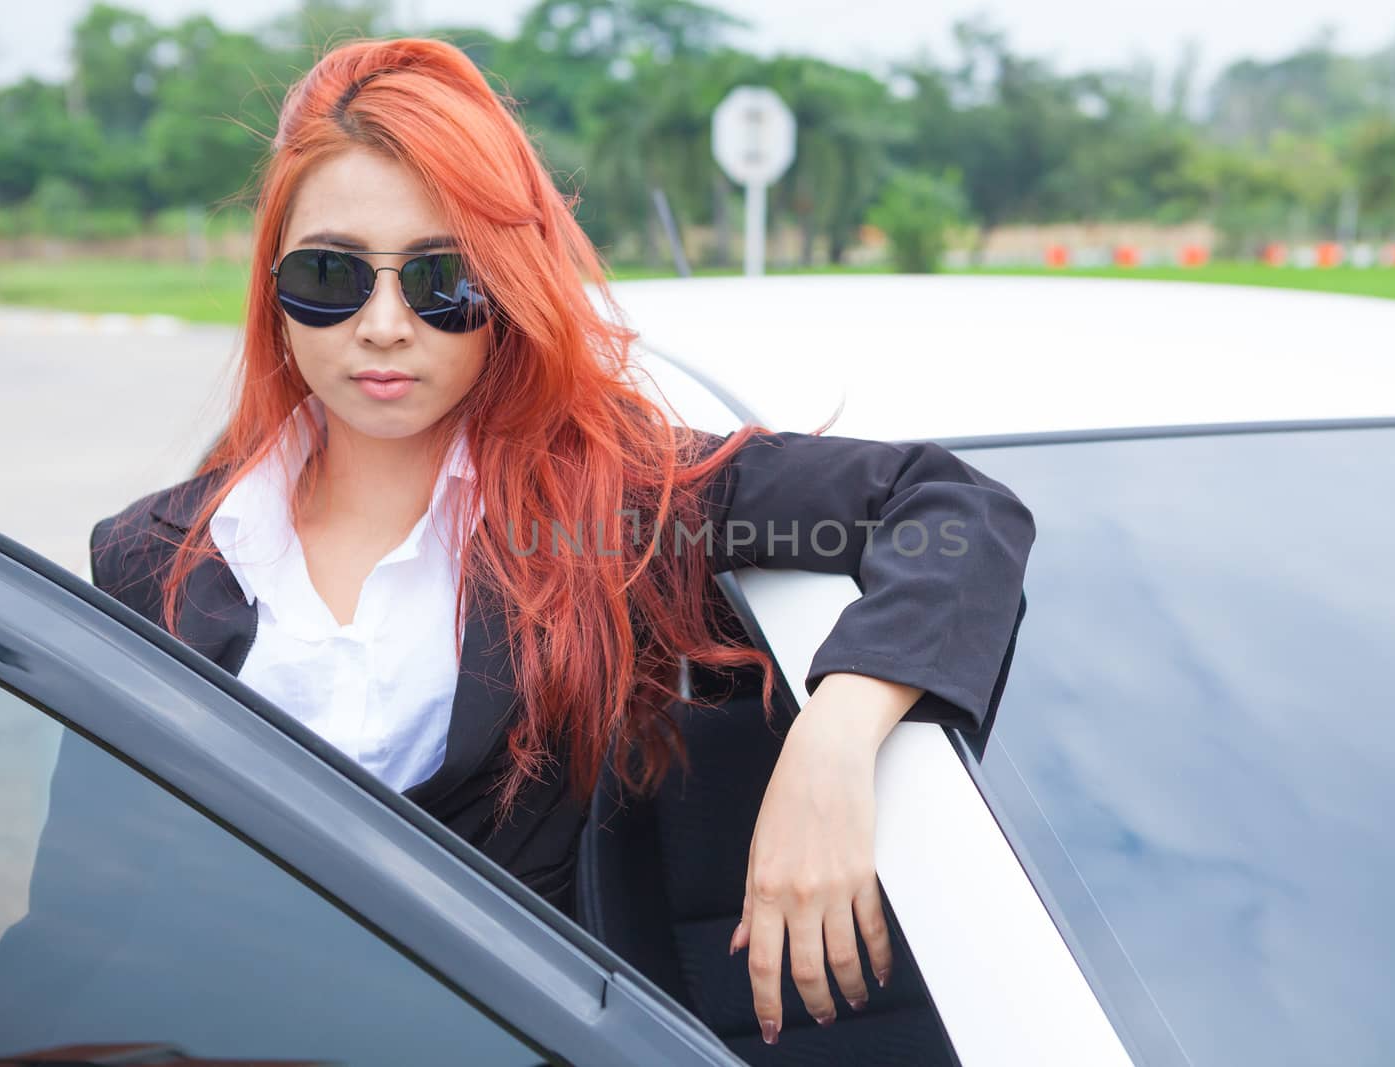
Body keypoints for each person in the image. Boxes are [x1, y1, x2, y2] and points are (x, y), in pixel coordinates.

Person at [85, 36, 1035, 1047]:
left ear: (505, 285)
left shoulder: (609, 502)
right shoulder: (152, 554)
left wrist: (835, 736)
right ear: (271, 284)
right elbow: (88, 899)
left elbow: (950, 511)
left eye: (441, 277)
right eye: (330, 274)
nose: (385, 323)